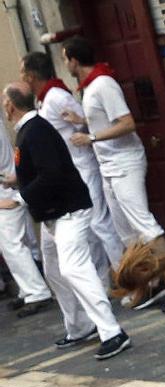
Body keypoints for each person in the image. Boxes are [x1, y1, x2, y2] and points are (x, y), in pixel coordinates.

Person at [60, 36, 165, 314]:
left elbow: (127, 123)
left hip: (125, 163)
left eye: (64, 58)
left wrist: (91, 136)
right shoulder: (90, 88)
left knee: (144, 224)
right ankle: (149, 281)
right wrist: (82, 121)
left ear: (74, 60)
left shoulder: (103, 85)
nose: (65, 63)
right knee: (126, 231)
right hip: (109, 165)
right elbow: (105, 118)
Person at [1, 82, 130, 359]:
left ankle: (112, 332)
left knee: (73, 268)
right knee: (54, 270)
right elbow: (42, 169)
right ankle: (80, 325)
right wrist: (17, 180)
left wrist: (20, 198)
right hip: (54, 214)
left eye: (3, 99)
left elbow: (52, 174)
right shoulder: (30, 129)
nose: (2, 104)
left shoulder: (35, 130)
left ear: (10, 105)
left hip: (68, 211)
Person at [20, 51, 125, 282]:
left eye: (22, 72)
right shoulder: (45, 99)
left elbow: (88, 120)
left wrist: (83, 133)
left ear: (30, 76)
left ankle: (126, 278)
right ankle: (104, 280)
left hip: (83, 166)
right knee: (88, 231)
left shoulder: (57, 96)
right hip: (71, 171)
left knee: (100, 223)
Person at [0, 124, 52, 318]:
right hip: (7, 189)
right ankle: (27, 289)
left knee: (12, 245)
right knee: (14, 245)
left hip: (6, 193)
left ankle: (36, 292)